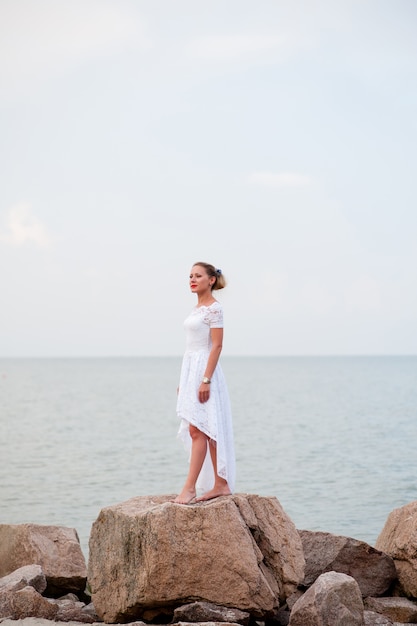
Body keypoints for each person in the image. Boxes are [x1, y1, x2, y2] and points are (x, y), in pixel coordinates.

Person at [174, 262, 235, 504]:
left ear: (211, 280)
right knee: (200, 429)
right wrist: (185, 382)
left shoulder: (214, 309)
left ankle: (192, 488)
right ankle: (220, 484)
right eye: (190, 275)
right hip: (192, 371)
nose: (192, 279)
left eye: (198, 276)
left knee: (202, 429)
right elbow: (190, 348)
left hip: (205, 372)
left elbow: (217, 345)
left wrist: (205, 380)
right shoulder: (196, 309)